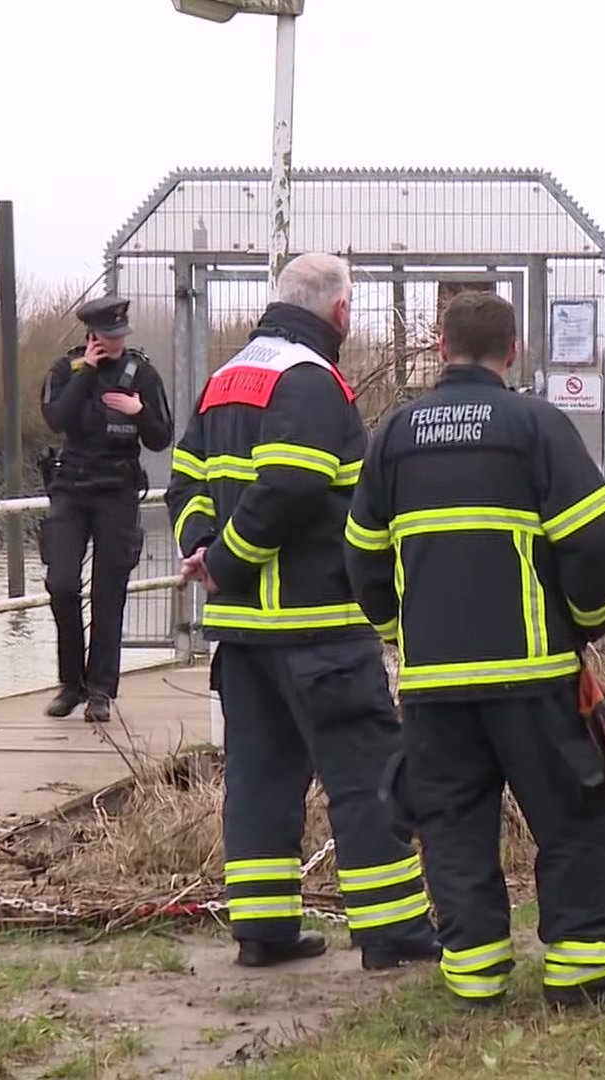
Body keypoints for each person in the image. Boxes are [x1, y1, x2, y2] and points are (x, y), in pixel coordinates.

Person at [344, 290, 605, 1009]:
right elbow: (598, 532)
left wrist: (399, 632)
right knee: (574, 817)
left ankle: (475, 974)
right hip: (534, 676)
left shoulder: (394, 436)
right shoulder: (534, 425)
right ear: (513, 350)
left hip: (434, 686)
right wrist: (584, 620)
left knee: (453, 825)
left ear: (438, 343)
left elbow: (361, 553)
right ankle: (583, 971)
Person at [165, 253, 440, 970]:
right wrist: (224, 560)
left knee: (259, 779)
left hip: (243, 640)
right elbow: (290, 487)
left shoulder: (226, 380)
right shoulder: (311, 383)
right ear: (341, 312)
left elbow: (185, 480)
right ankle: (393, 934)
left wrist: (199, 546)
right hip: (317, 628)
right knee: (365, 778)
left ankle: (263, 932)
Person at [38, 295, 172, 723]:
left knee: (107, 594)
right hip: (71, 488)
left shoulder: (141, 374)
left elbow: (160, 437)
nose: (115, 343)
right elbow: (56, 418)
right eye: (107, 336)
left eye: (120, 336)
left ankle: (100, 691)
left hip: (116, 490)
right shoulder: (66, 370)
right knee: (61, 585)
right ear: (91, 335)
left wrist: (140, 411)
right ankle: (70, 684)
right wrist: (87, 374)